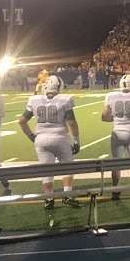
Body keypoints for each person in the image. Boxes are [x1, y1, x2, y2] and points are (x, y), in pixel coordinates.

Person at [19, 75, 80, 210]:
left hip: (41, 139)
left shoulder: (34, 99)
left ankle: (48, 198)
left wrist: (31, 136)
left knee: (46, 170)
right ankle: (68, 195)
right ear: (59, 87)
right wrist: (76, 140)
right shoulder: (65, 100)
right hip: (60, 137)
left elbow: (22, 121)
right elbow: (71, 122)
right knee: (68, 166)